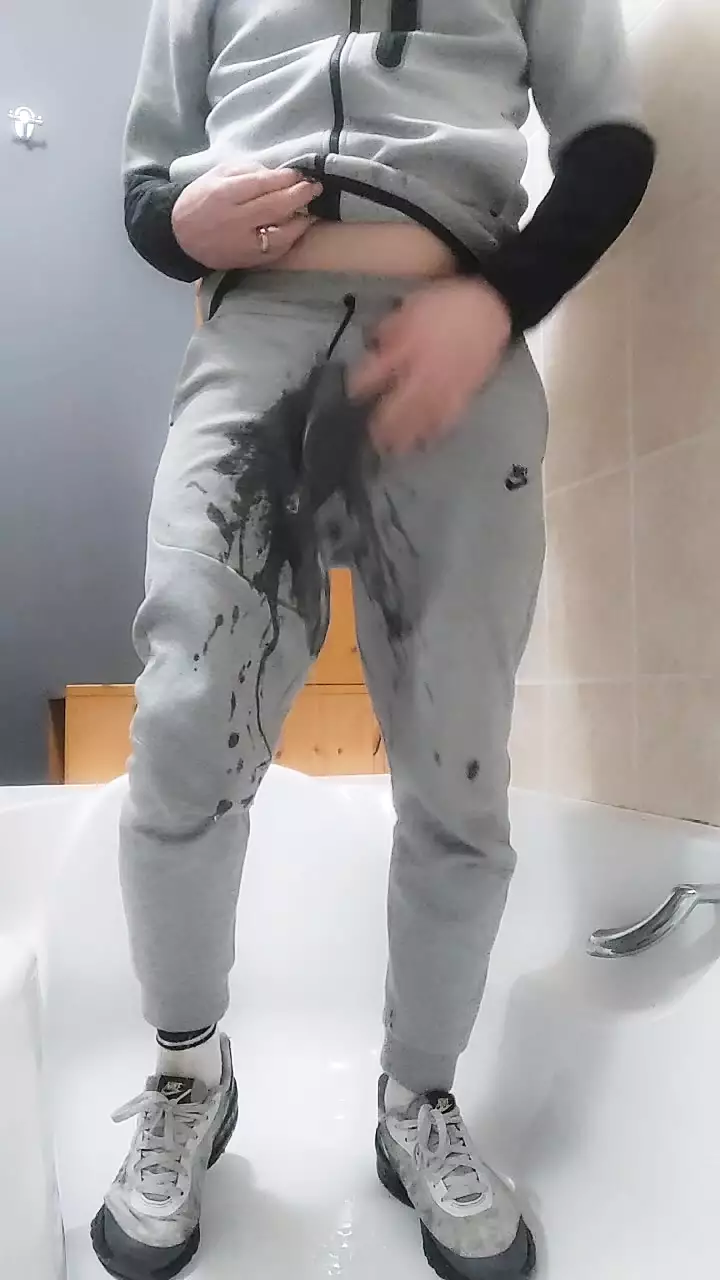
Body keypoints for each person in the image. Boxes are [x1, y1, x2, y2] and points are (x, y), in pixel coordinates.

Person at [91, 3, 654, 1278]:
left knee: (463, 765)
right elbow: (143, 179)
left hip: (457, 333)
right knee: (183, 720)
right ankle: (189, 1073)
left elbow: (611, 143)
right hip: (252, 332)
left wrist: (500, 302)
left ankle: (418, 1098)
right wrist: (175, 223)